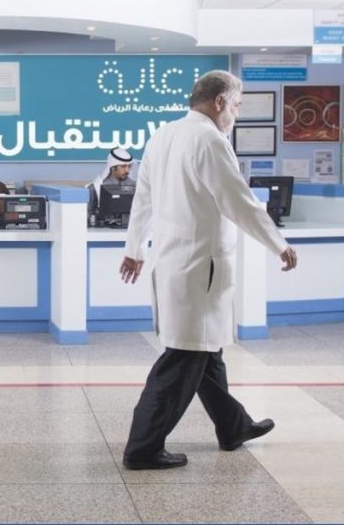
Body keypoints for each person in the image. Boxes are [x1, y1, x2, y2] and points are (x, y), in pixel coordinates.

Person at [118, 70, 298, 470]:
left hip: (174, 264)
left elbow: (143, 199)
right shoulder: (210, 139)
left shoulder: (163, 135)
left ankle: (233, 427)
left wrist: (135, 249)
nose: (236, 113)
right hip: (200, 268)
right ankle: (142, 448)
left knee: (207, 353)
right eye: (236, 105)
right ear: (219, 102)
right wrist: (278, 243)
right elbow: (238, 200)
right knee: (183, 358)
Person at [87, 147, 136, 215]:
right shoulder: (95, 188)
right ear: (113, 167)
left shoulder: (135, 186)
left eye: (129, 166)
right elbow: (87, 214)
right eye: (123, 166)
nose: (127, 170)